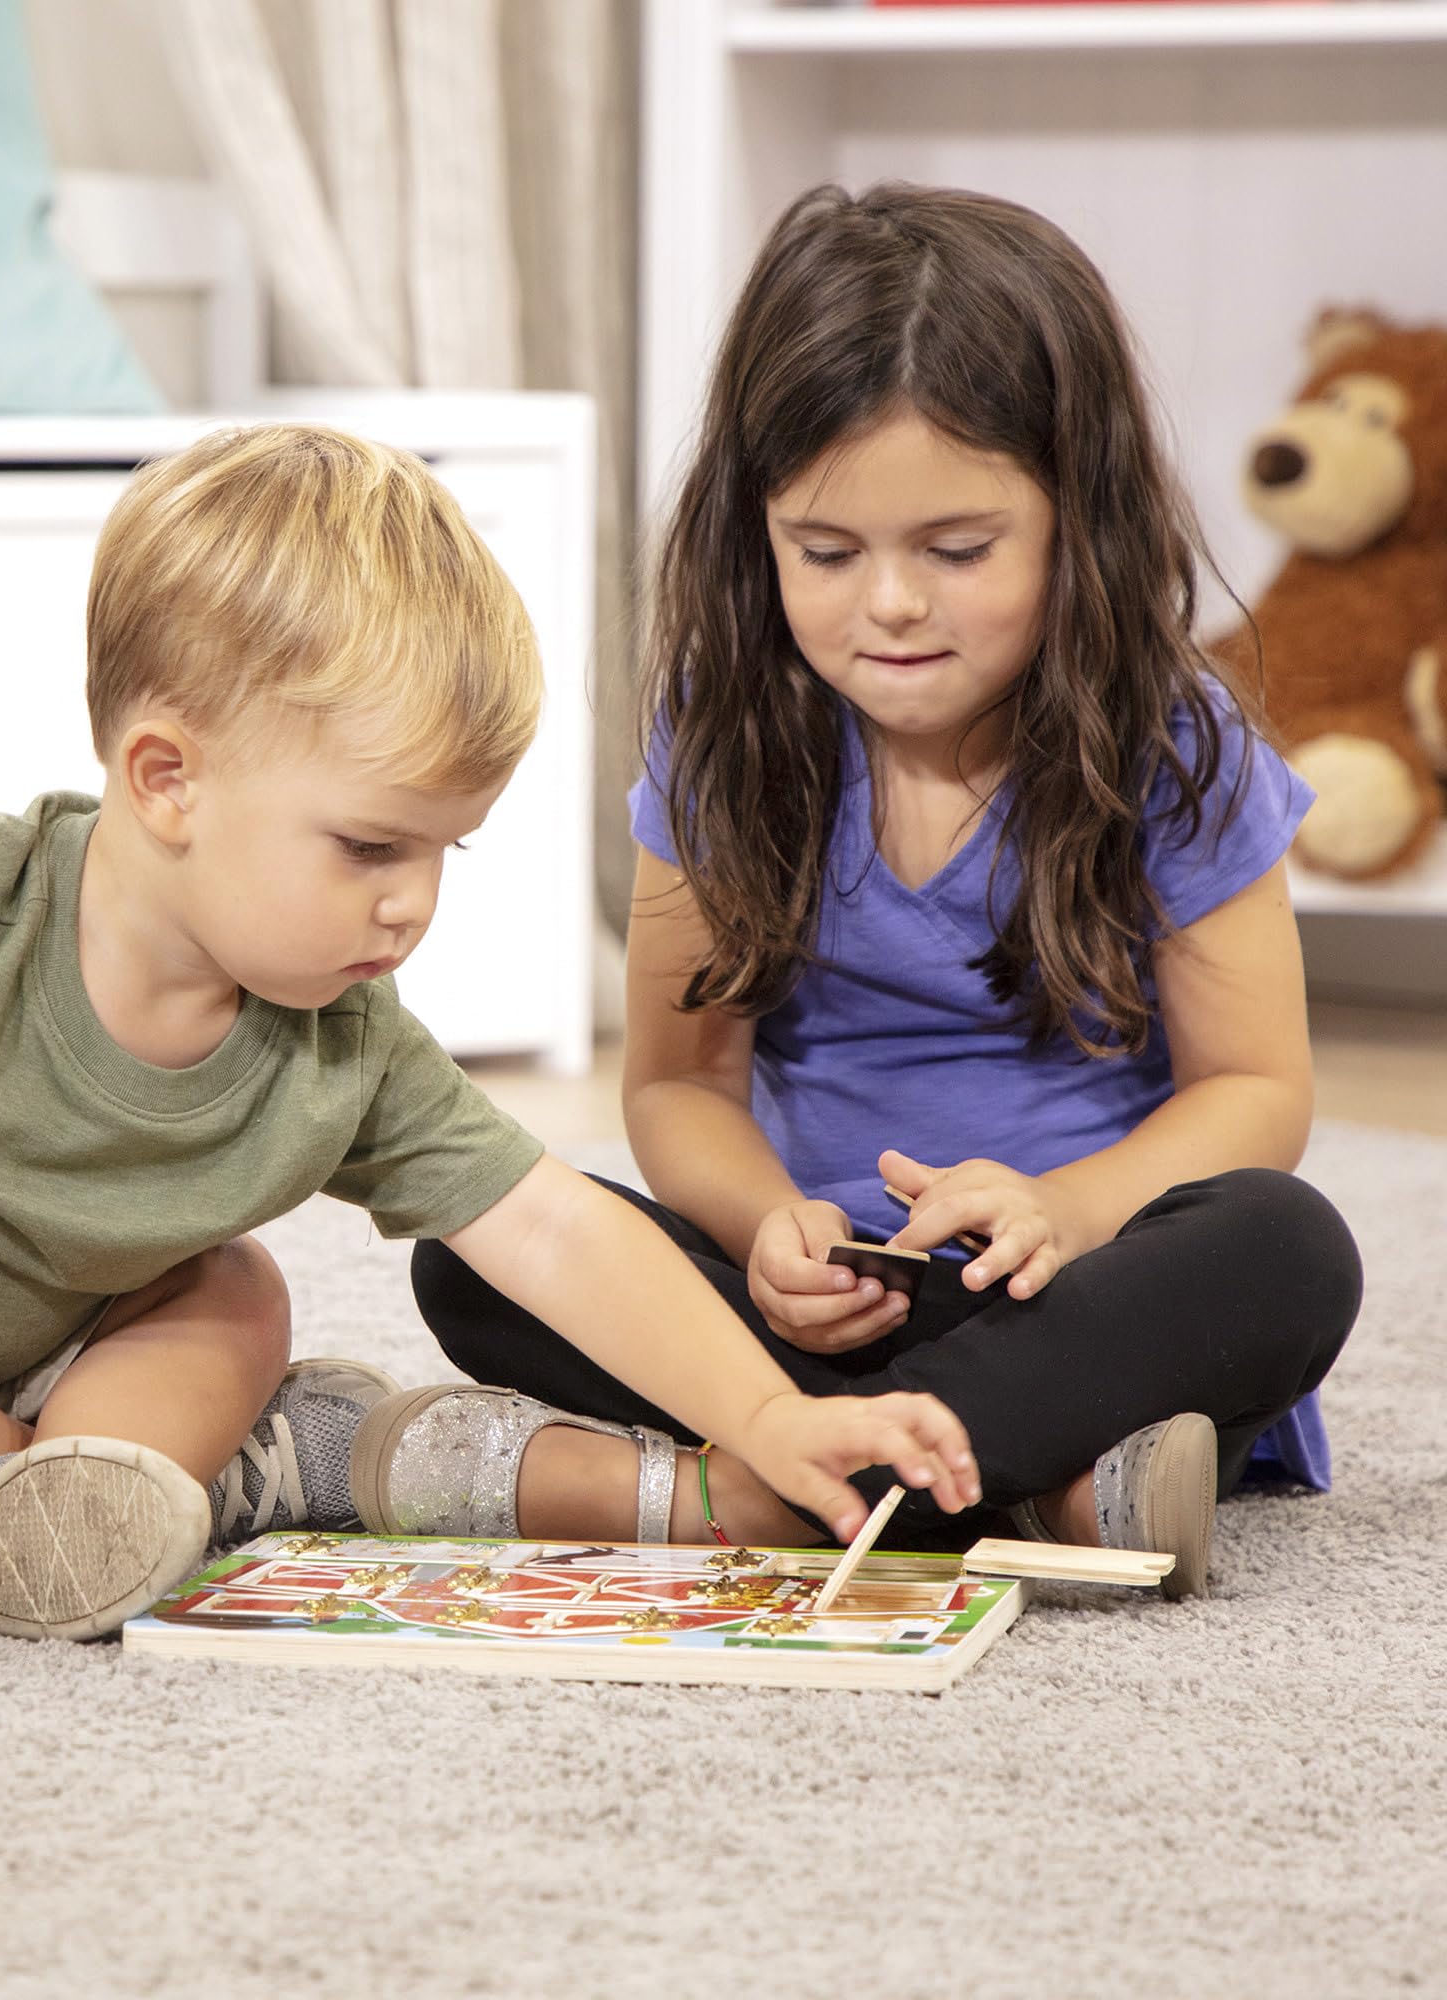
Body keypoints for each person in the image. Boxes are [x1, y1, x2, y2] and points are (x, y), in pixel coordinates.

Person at [0, 422, 979, 1643]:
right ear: (166, 781)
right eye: (366, 848)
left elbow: (548, 1228)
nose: (407, 907)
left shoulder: (339, 1036)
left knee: (234, 1293)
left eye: (442, 856)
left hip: (34, 1365)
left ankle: (74, 1501)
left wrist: (770, 1412)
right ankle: (185, 1487)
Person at [381, 183, 1363, 1599]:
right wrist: (762, 1225)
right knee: (478, 1257)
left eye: (956, 552)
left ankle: (795, 1489)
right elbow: (679, 1088)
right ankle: (1033, 1489)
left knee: (1287, 1249)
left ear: (1074, 521)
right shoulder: (725, 737)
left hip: (1073, 1291)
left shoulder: (1176, 745)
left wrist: (1068, 1213)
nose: (889, 603)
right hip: (815, 1314)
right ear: (757, 529)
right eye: (825, 553)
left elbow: (1256, 1094)